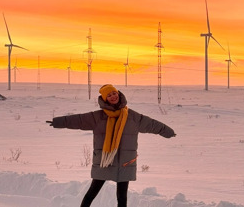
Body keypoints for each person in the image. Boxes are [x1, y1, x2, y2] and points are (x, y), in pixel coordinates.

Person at [46, 84, 176, 207]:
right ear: (104, 99)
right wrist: (57, 122)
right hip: (104, 160)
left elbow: (151, 124)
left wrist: (168, 131)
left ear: (119, 94)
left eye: (115, 93)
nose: (113, 96)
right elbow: (78, 120)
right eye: (109, 95)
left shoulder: (132, 116)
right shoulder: (98, 117)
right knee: (92, 193)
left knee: (122, 197)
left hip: (125, 161)